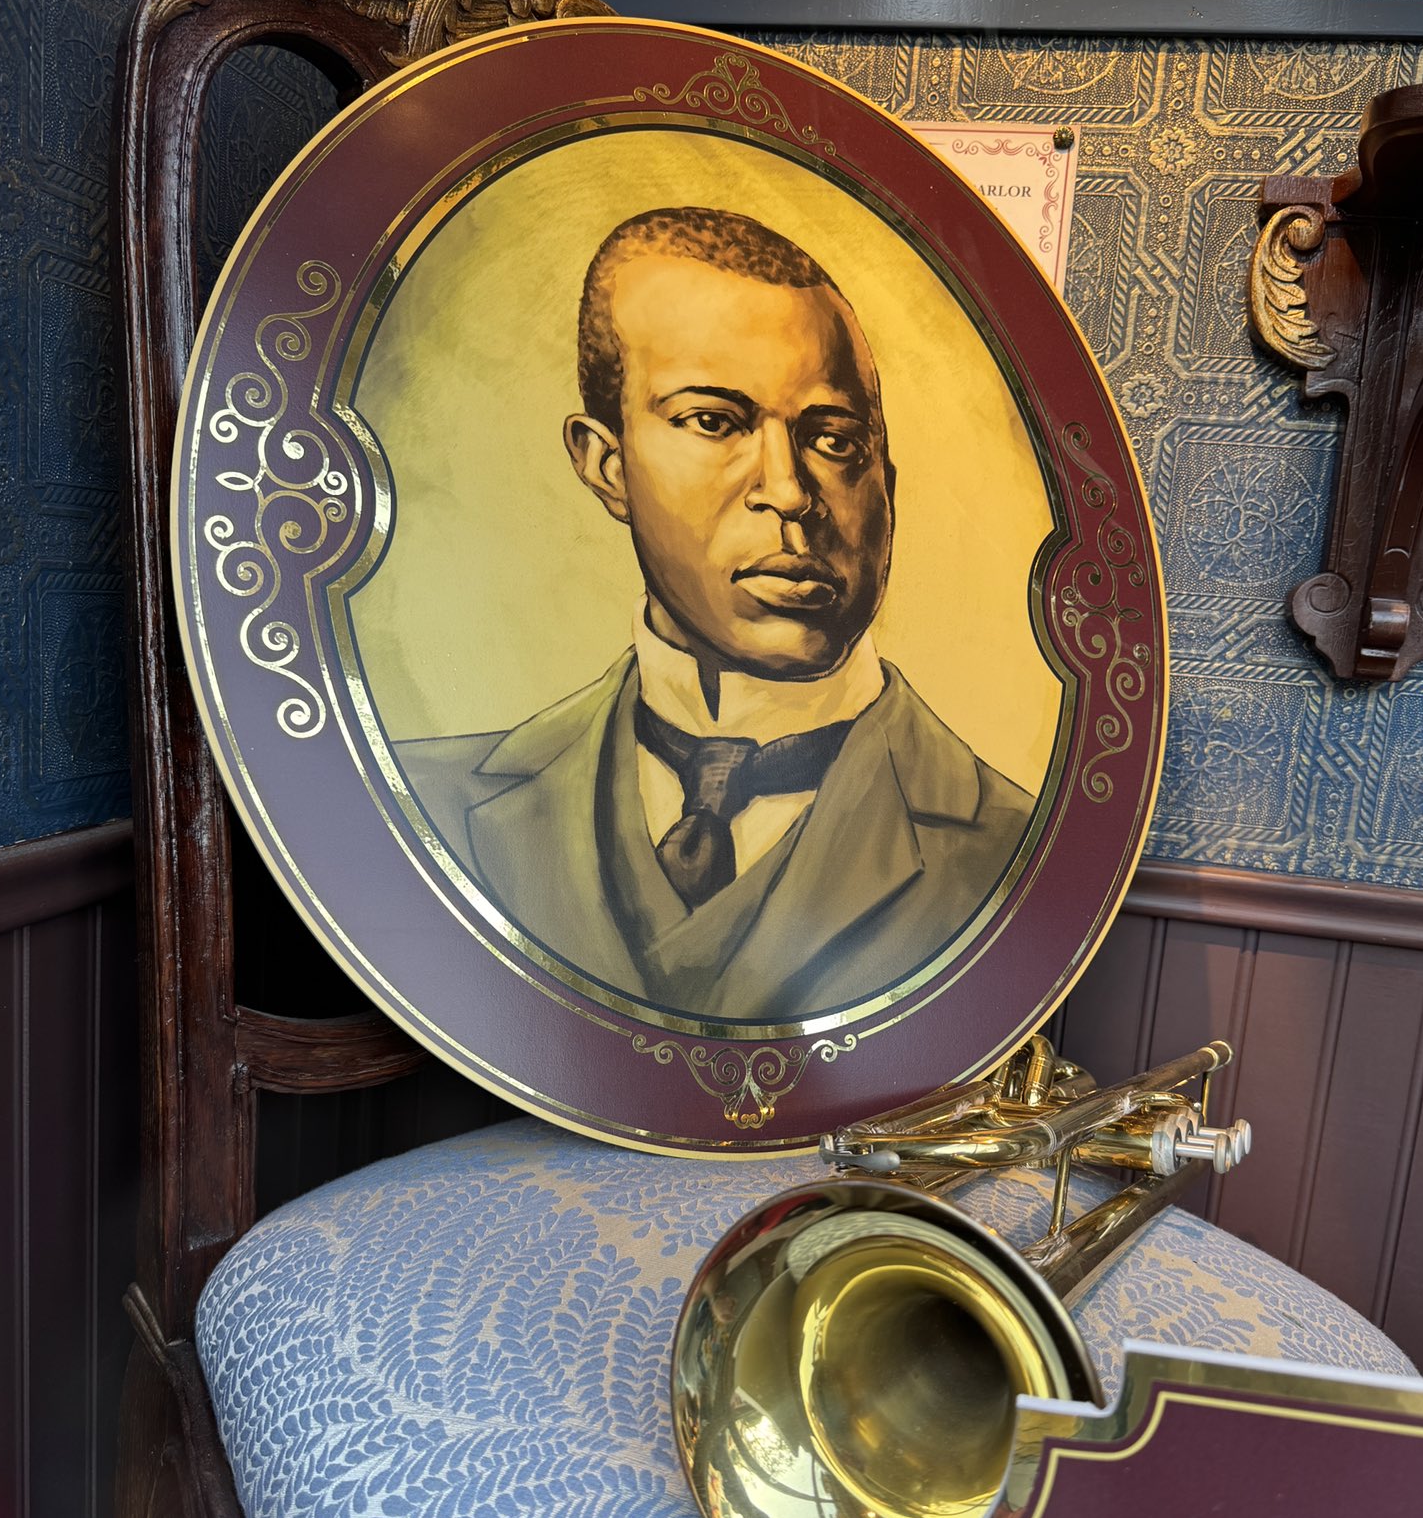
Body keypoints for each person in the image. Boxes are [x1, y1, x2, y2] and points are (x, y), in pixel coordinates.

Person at [398, 206, 1036, 1021]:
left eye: (835, 440)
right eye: (714, 422)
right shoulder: (419, 805)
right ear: (606, 465)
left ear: (888, 488)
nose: (790, 492)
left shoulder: (1014, 850)